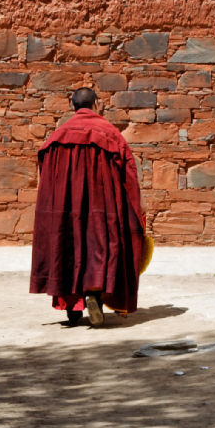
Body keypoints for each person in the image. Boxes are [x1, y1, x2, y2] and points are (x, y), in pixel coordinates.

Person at [30, 87, 147, 327]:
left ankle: (73, 308)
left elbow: (46, 177)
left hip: (64, 209)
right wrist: (136, 206)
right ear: (97, 103)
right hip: (102, 207)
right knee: (99, 249)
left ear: (72, 105)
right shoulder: (110, 134)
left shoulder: (55, 138)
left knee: (68, 249)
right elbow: (129, 174)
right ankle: (94, 295)